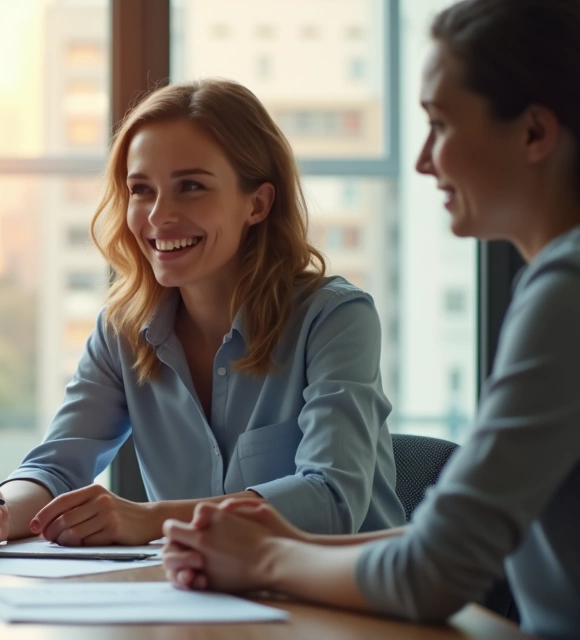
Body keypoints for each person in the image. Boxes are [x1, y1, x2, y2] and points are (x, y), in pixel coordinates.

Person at [161, 1, 580, 638]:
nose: (422, 160)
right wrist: (259, 545)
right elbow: (428, 544)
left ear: (533, 133)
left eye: (439, 124)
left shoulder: (565, 292)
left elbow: (431, 572)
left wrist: (266, 556)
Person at [0, 78, 403, 549]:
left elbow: (332, 498)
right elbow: (55, 467)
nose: (159, 216)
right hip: (200, 604)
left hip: (344, 604)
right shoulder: (123, 329)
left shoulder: (336, 318)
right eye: (141, 190)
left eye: (191, 187)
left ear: (257, 203)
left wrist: (152, 520)